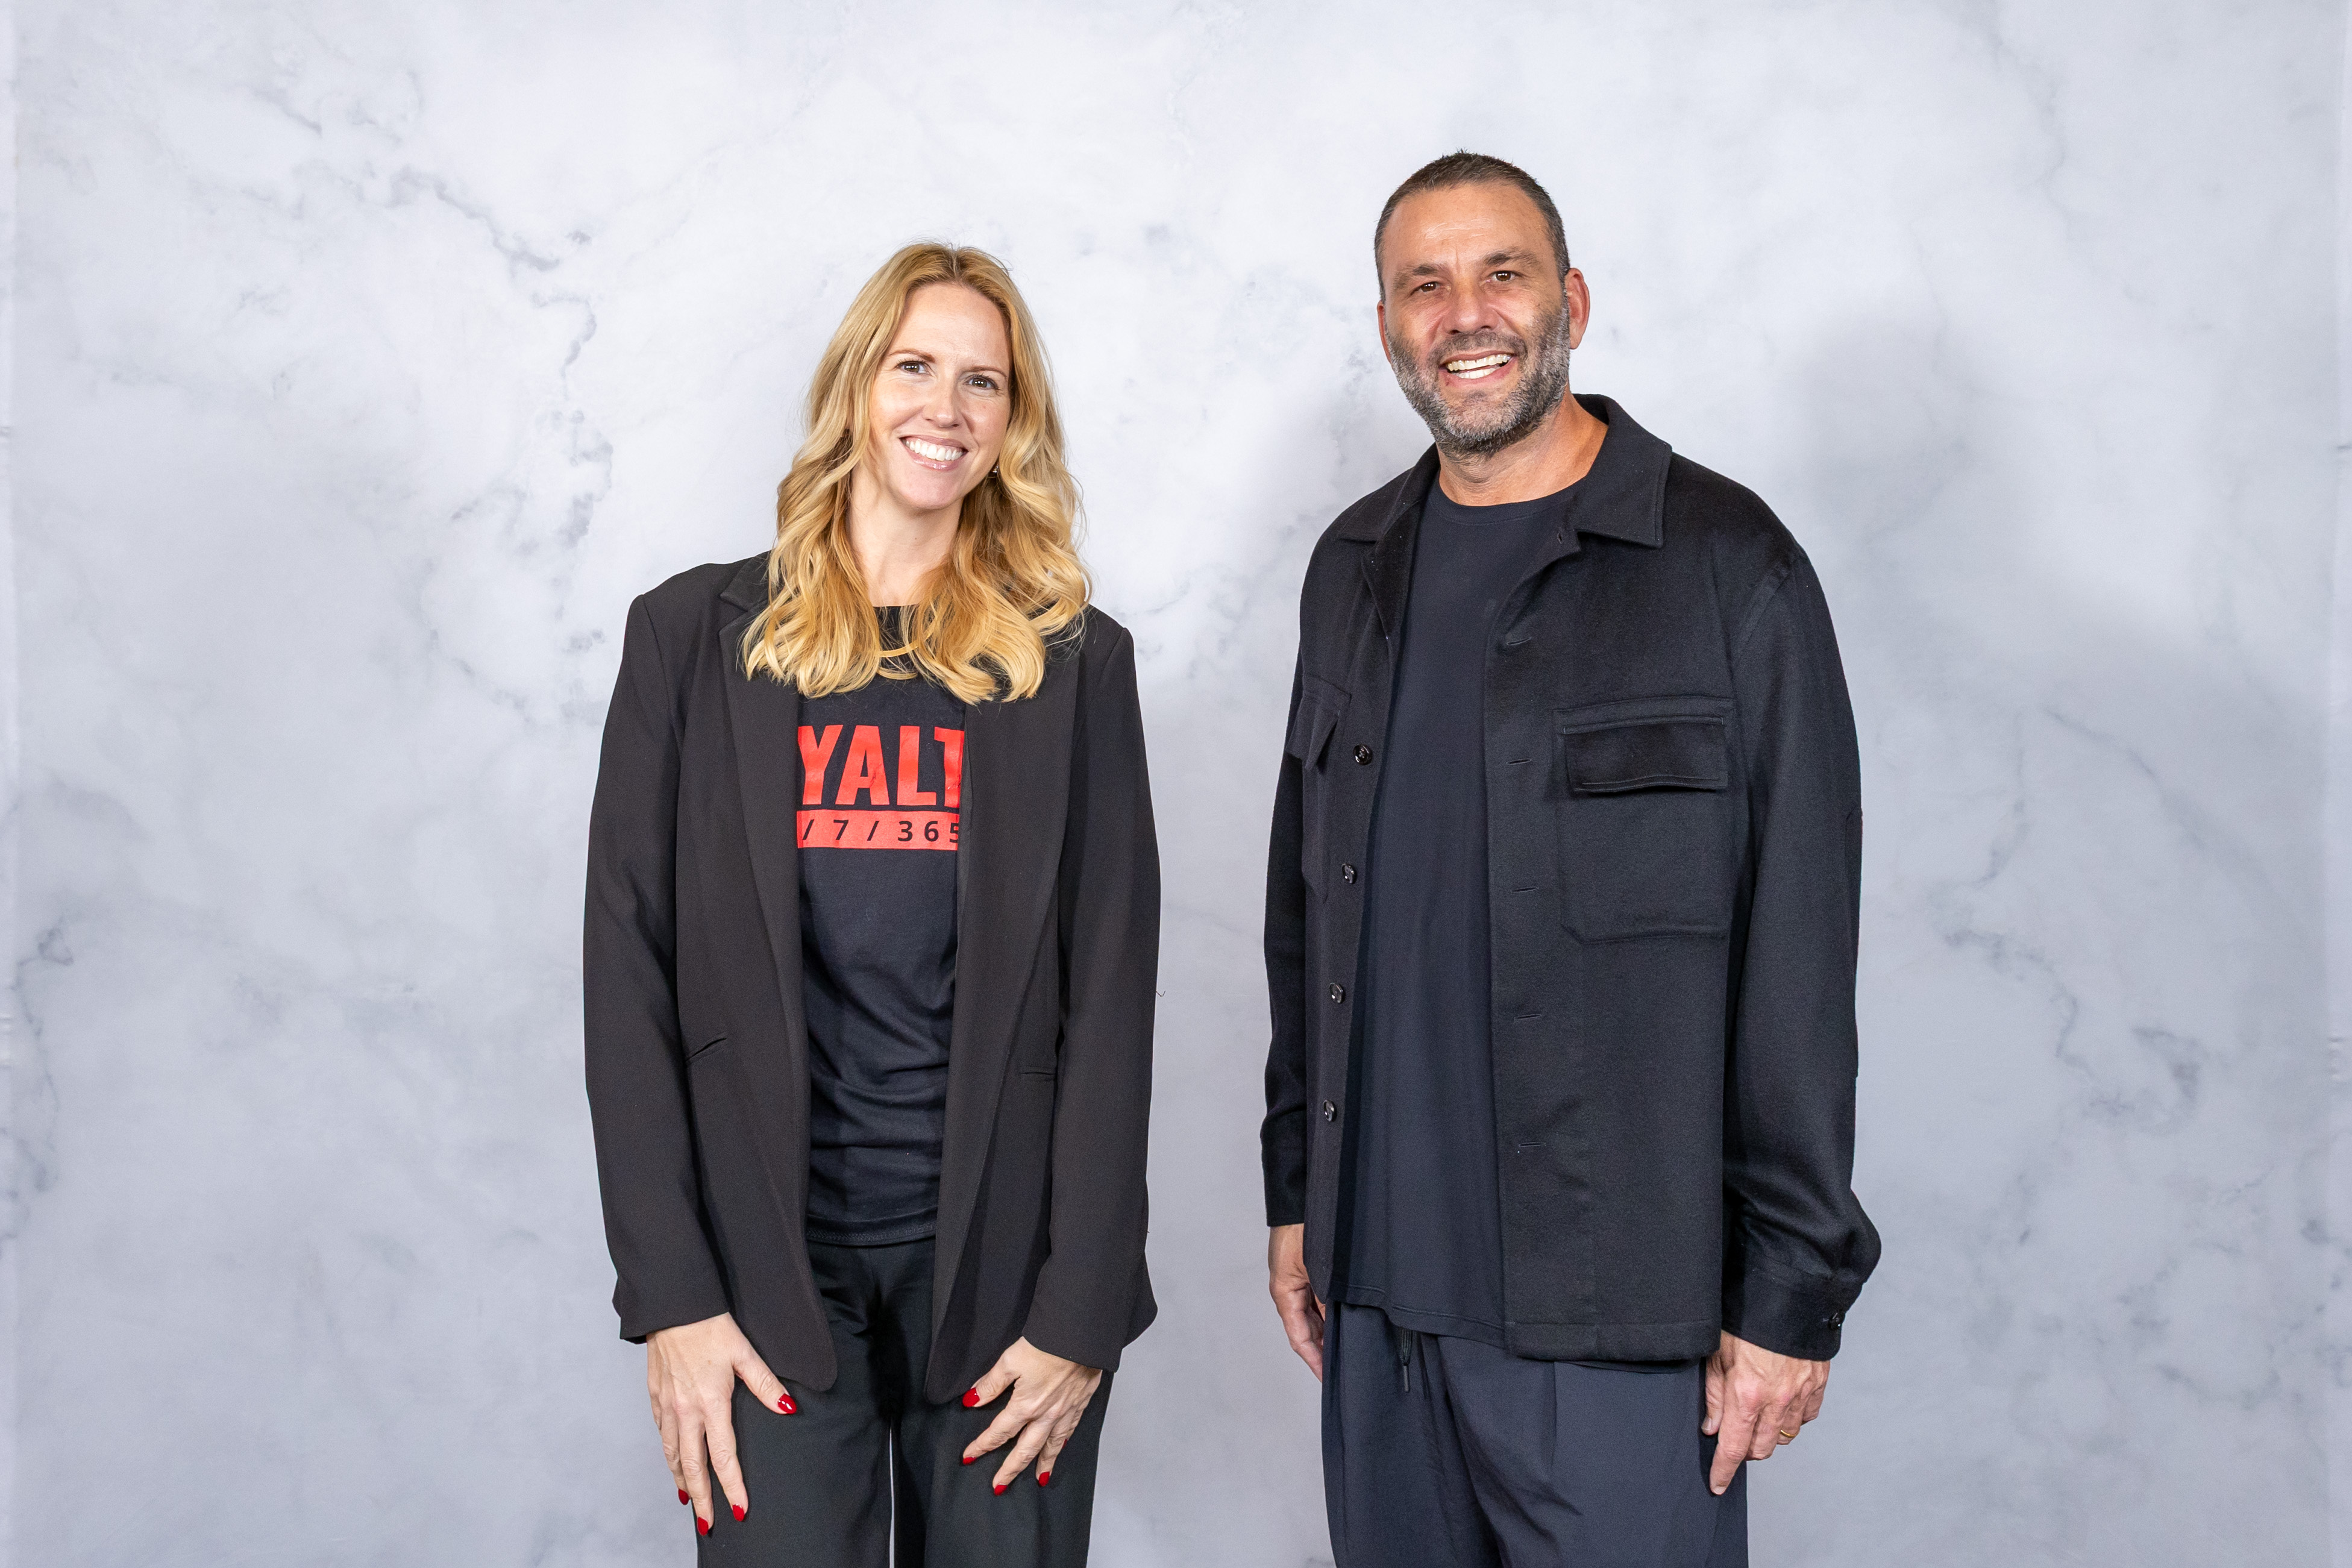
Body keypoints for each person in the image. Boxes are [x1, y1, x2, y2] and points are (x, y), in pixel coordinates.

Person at [1260, 152, 1881, 1566]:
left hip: (1618, 1315)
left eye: (1502, 274)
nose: (1463, 313)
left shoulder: (1725, 565)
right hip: (1375, 1303)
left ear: (1571, 303)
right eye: (1423, 285)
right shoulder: (1351, 565)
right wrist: (1298, 1186)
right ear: (1385, 325)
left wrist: (1790, 1289)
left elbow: (1797, 949)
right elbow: (1307, 913)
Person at [586, 242, 1159, 1566]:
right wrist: (672, 1296)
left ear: (1012, 422)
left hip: (1008, 1284)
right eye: (913, 366)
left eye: (982, 382)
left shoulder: (1074, 664)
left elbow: (1111, 994)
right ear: (855, 385)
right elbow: (626, 976)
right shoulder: (689, 639)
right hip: (760, 1282)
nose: (944, 408)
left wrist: (1080, 1309)